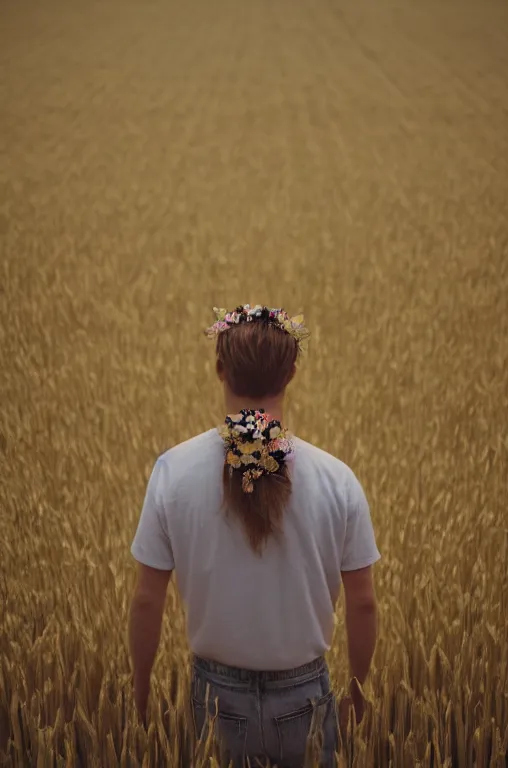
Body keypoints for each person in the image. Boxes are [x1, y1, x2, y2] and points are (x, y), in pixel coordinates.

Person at [128, 304, 380, 768]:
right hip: (305, 699)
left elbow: (148, 599)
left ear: (220, 369)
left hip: (217, 701)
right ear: (291, 373)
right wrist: (358, 696)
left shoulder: (173, 472)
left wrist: (140, 694)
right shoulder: (337, 480)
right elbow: (363, 603)